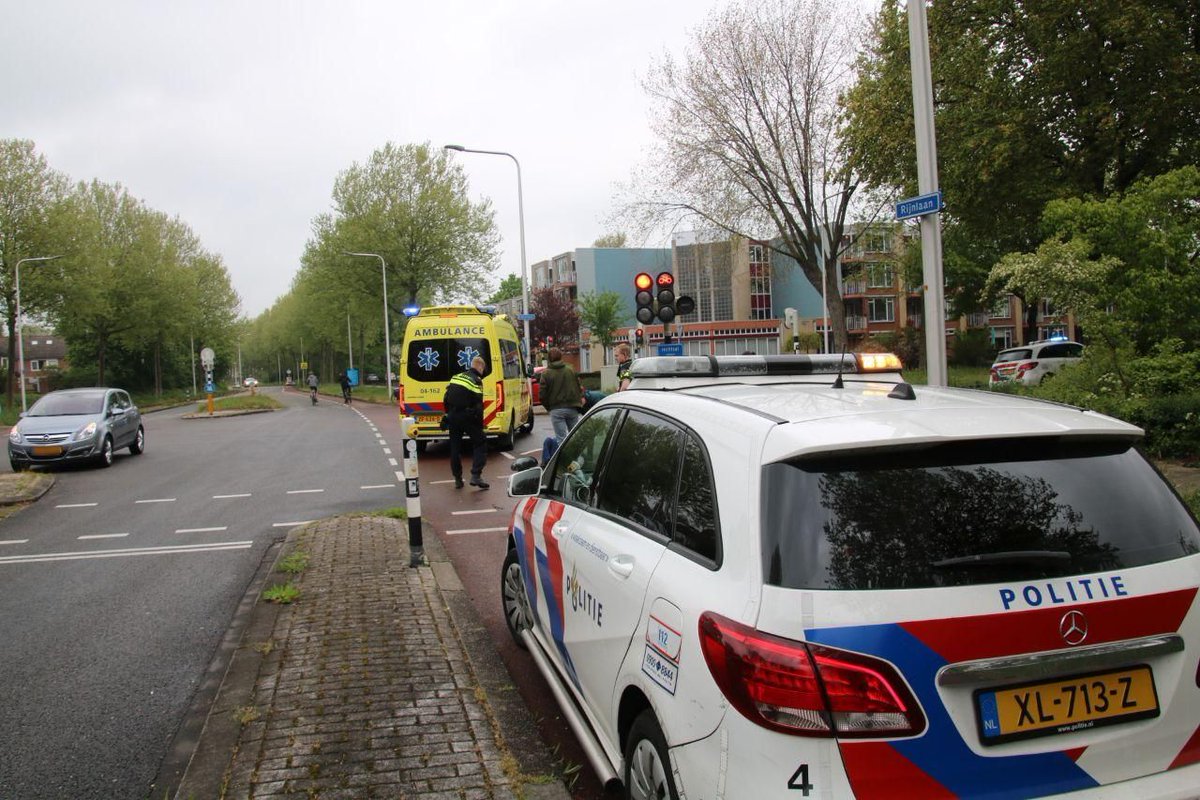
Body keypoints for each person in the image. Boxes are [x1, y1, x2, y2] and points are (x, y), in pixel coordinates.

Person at [443, 355, 489, 489]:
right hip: (467, 416)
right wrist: (479, 426)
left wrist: (447, 416)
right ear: (480, 367)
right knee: (480, 442)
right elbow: (478, 405)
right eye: (483, 368)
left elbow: (446, 398)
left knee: (455, 448)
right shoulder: (476, 381)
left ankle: (457, 479)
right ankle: (476, 475)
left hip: (453, 415)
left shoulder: (456, 377)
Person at [539, 347, 584, 441]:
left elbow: (542, 395)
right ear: (561, 357)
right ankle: (577, 455)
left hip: (556, 409)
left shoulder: (546, 374)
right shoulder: (571, 369)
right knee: (575, 438)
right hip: (572, 407)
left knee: (561, 440)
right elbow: (579, 387)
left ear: (549, 358)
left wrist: (549, 407)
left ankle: (565, 456)